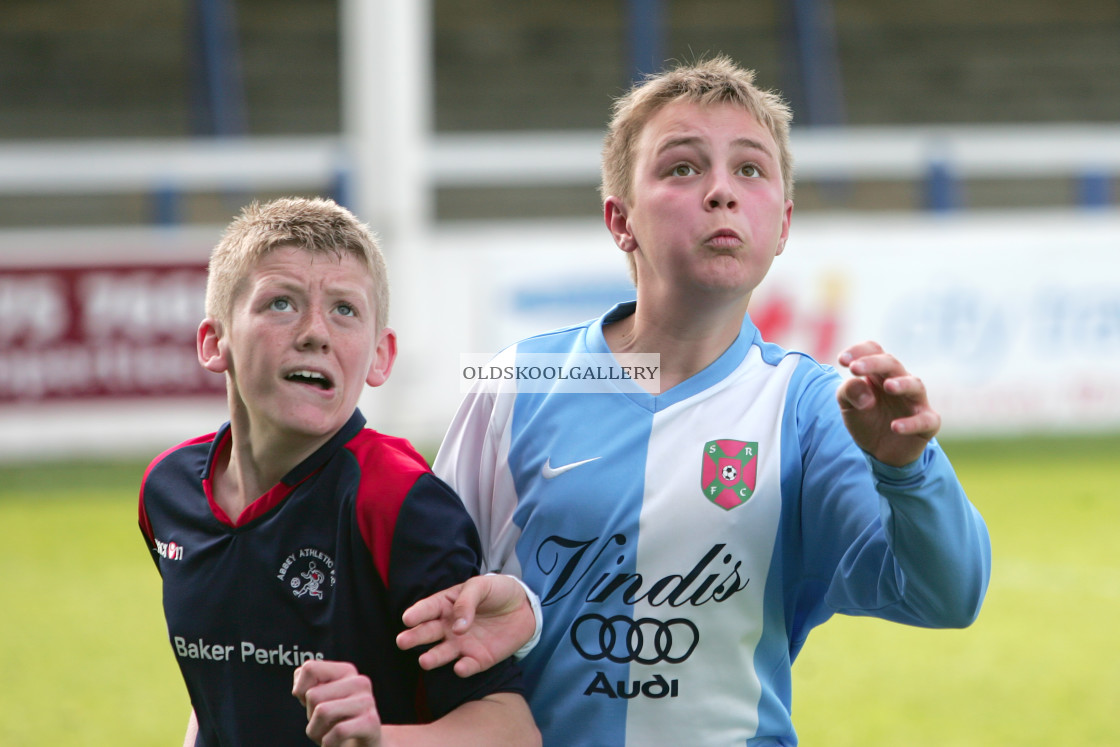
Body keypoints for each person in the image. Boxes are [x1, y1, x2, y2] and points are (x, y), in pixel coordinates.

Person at [397, 57, 992, 746]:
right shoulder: (517, 381)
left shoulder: (809, 408)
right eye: (682, 168)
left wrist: (907, 470)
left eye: (750, 170)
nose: (721, 192)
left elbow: (950, 597)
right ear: (620, 219)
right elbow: (426, 600)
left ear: (784, 224)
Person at [137, 197, 540, 747]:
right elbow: (217, 694)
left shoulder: (400, 502)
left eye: (345, 310)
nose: (315, 332)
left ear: (380, 356)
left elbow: (509, 730)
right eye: (281, 303)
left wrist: (379, 740)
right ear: (215, 343)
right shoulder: (168, 489)